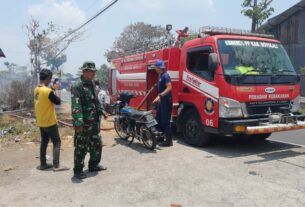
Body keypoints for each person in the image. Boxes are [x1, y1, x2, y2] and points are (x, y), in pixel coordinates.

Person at [71, 61, 108, 179]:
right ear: (85, 71)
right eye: (91, 71)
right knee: (81, 147)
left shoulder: (91, 84)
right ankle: (78, 171)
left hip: (94, 123)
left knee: (96, 144)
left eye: (94, 71)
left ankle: (94, 165)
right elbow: (76, 105)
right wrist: (78, 122)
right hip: (84, 124)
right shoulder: (78, 86)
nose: (93, 73)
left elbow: (95, 101)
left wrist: (102, 111)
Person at [34, 69, 69, 172]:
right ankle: (56, 165)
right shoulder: (47, 91)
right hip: (49, 121)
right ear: (48, 78)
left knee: (44, 142)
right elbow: (58, 102)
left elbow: (45, 100)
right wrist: (57, 90)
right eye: (50, 78)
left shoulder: (36, 89)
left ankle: (43, 164)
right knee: (57, 142)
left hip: (41, 121)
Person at [153, 60, 173, 147]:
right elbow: (161, 91)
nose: (155, 69)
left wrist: (161, 95)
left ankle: (169, 141)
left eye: (155, 67)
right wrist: (158, 97)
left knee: (165, 121)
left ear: (158, 67)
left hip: (166, 101)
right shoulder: (160, 76)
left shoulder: (165, 76)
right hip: (162, 101)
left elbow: (169, 88)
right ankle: (160, 138)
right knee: (158, 119)